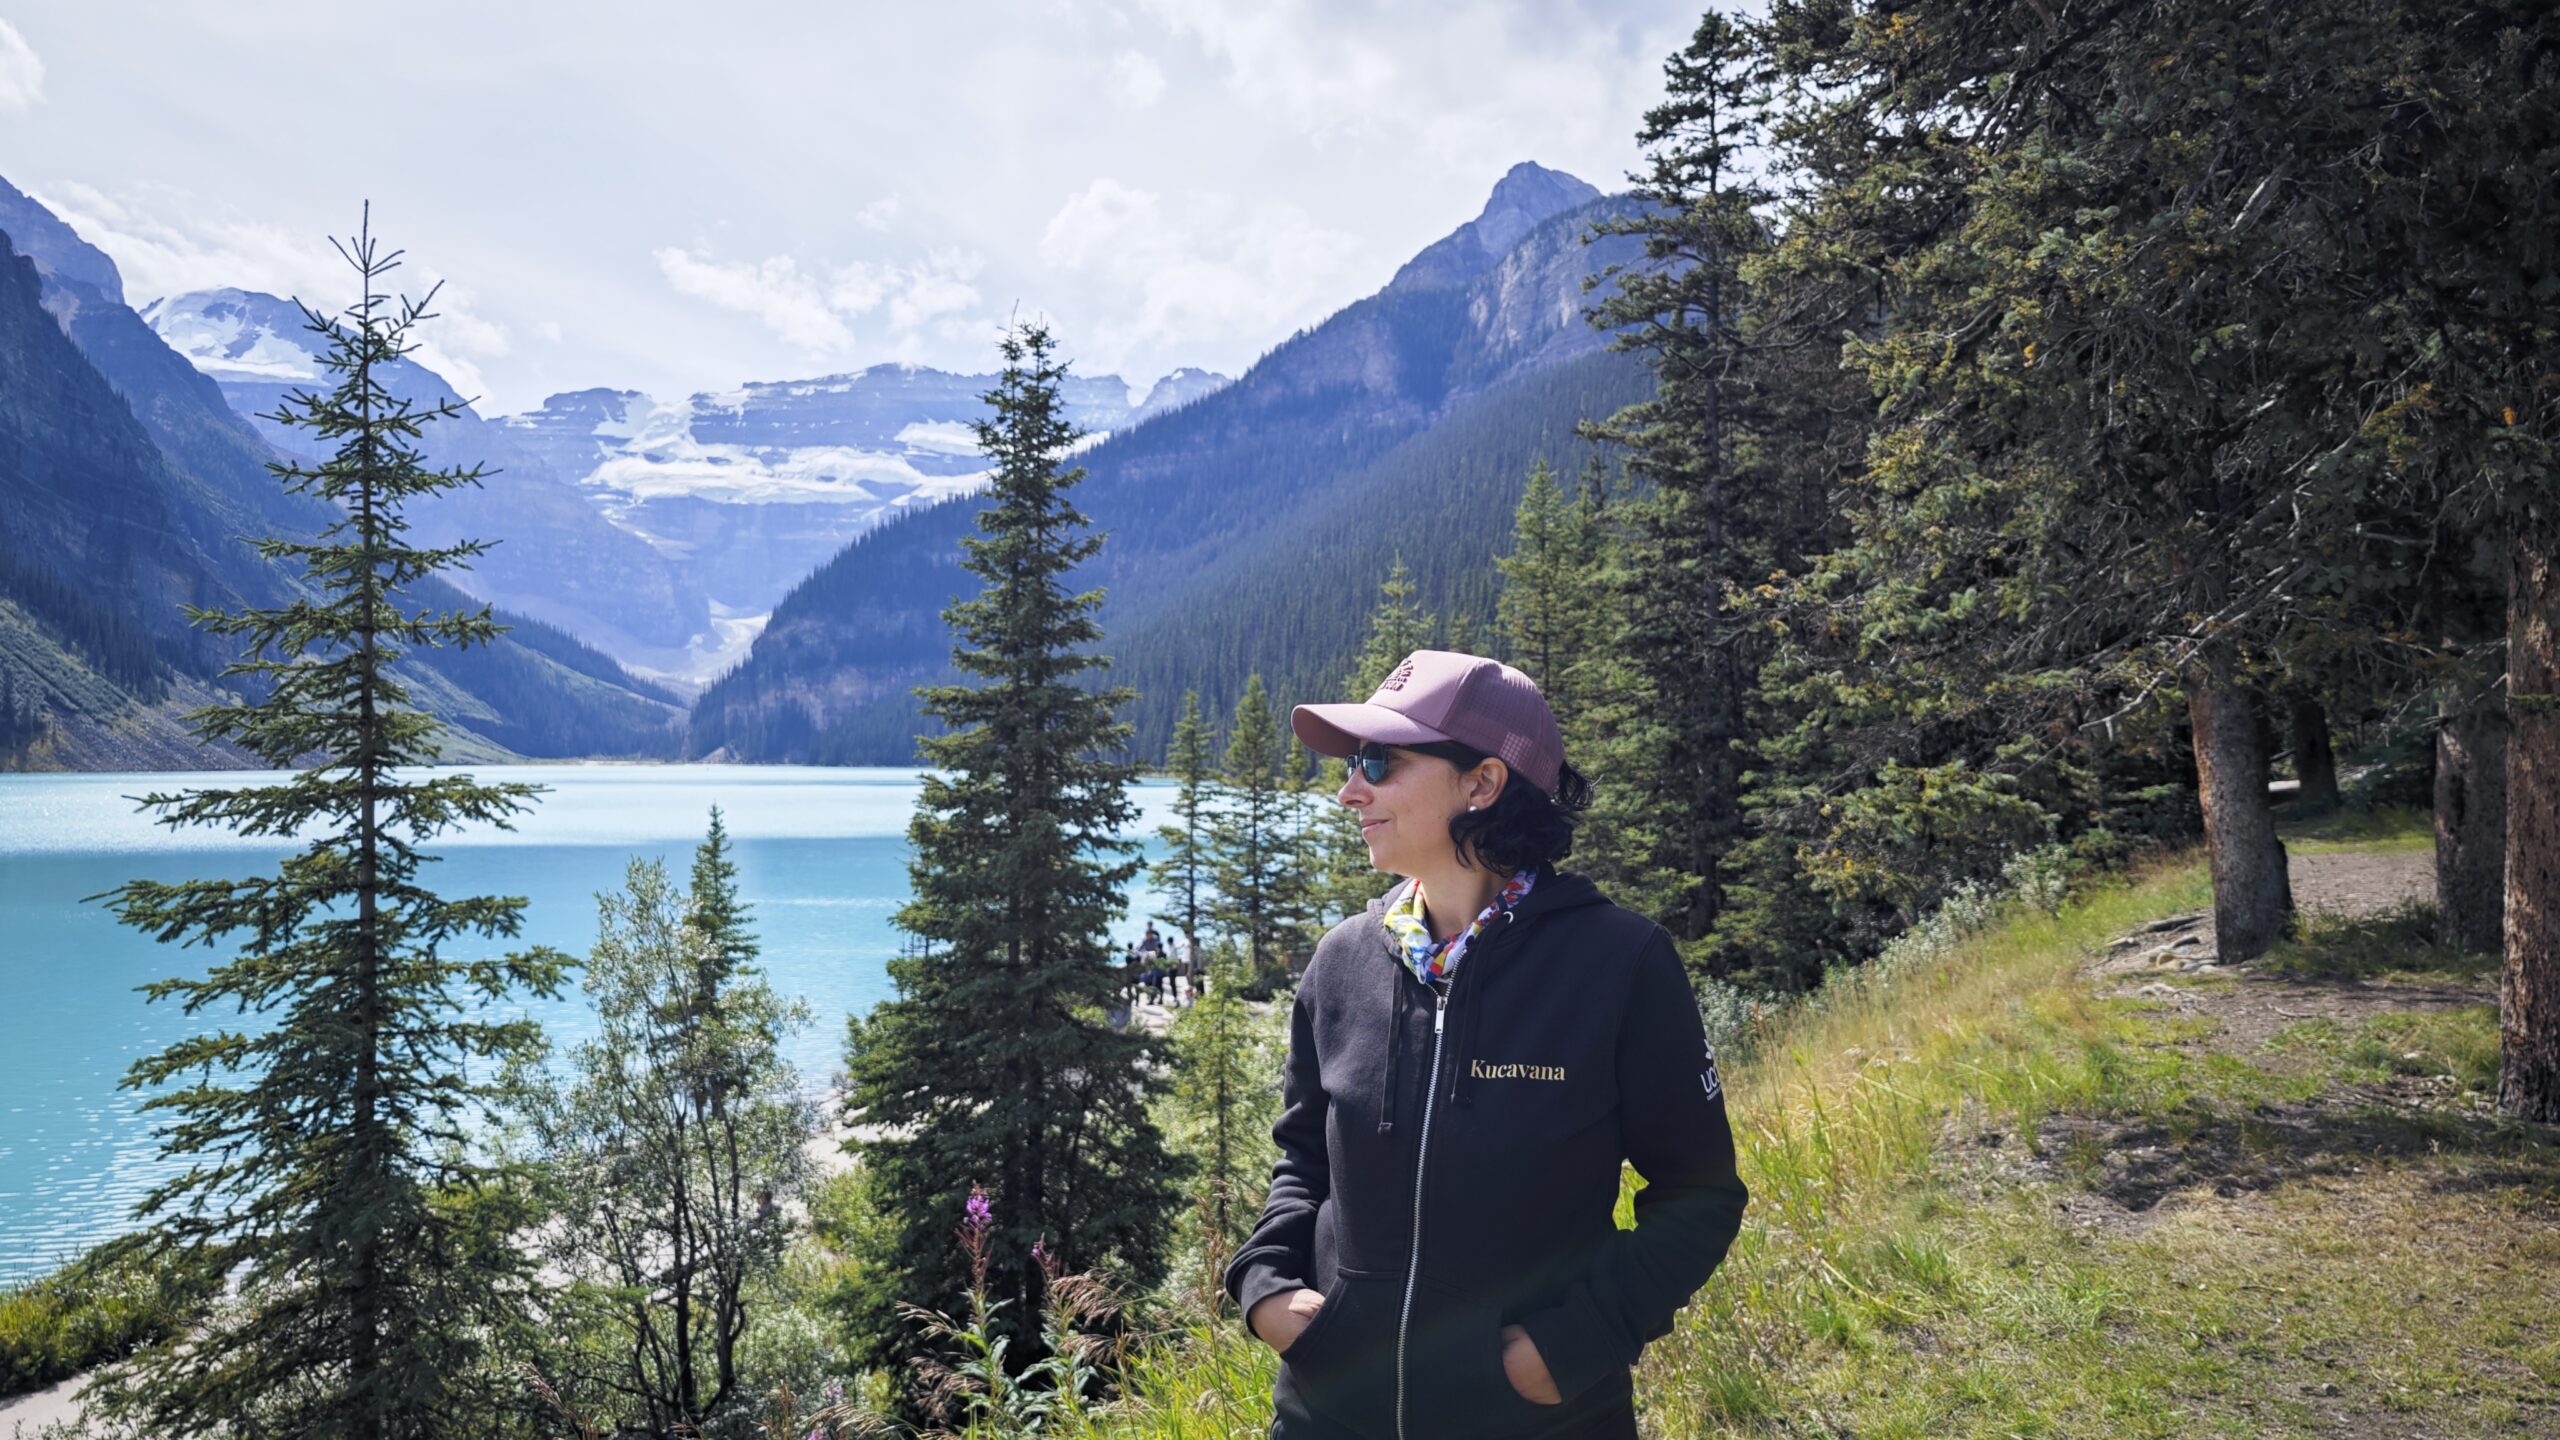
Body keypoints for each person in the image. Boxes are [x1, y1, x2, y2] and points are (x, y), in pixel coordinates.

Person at [1224, 650, 1748, 1440]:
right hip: (1330, 1415)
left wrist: (1567, 1346)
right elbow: (1303, 1159)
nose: (1348, 789)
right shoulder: (1342, 961)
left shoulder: (1619, 963)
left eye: (1380, 761)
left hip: (1540, 1421)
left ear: (1484, 783)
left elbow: (1701, 1196)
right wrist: (1265, 1288)